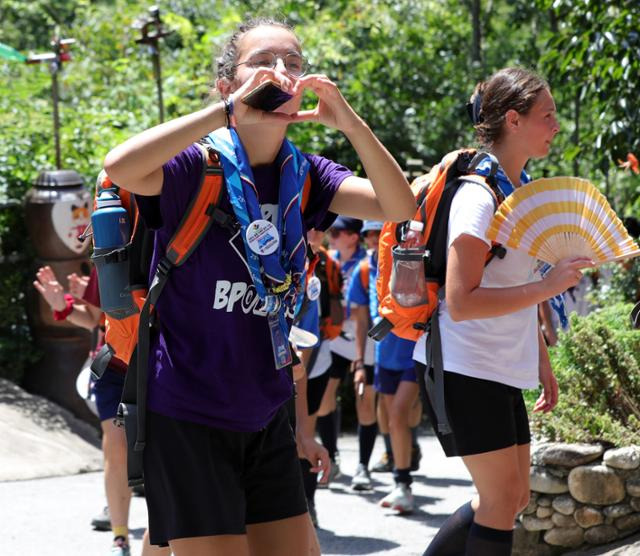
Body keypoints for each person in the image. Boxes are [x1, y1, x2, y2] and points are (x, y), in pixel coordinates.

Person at [103, 16, 414, 555]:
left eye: (294, 63)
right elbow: (120, 166)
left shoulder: (308, 174)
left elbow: (399, 206)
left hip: (264, 411)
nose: (282, 71)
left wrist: (352, 126)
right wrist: (226, 114)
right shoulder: (194, 167)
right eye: (264, 62)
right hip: (188, 412)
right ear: (228, 84)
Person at [415, 67, 593, 555]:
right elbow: (462, 300)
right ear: (513, 120)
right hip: (466, 365)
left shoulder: (519, 190)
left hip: (499, 366)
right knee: (497, 501)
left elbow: (515, 284)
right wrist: (550, 286)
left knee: (511, 498)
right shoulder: (478, 196)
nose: (556, 125)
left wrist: (539, 358)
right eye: (547, 115)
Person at [33, 267, 169, 556]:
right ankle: (120, 539)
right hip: (115, 368)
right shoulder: (110, 246)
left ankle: (165, 534)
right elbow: (94, 318)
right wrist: (64, 306)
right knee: (116, 447)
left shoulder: (172, 240)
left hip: (164, 363)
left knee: (165, 452)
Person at [347, 221, 422, 512]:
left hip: (413, 353)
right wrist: (359, 363)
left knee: (400, 414)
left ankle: (403, 484)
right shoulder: (363, 271)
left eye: (379, 233)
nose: (374, 239)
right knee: (391, 419)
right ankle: (401, 477)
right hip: (383, 357)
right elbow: (360, 320)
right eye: (369, 235)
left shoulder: (409, 260)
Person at [315, 216, 378, 485]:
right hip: (337, 340)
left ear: (353, 236)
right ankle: (333, 458)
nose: (332, 235)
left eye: (338, 231)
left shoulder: (369, 262)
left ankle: (363, 466)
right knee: (324, 398)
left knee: (365, 401)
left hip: (366, 341)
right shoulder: (326, 260)